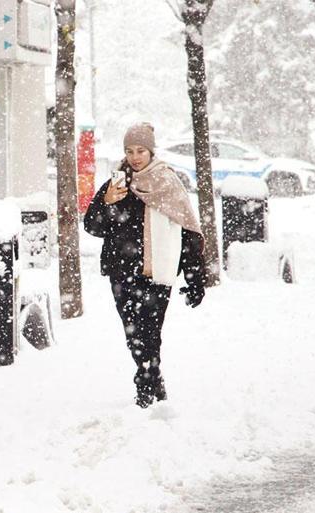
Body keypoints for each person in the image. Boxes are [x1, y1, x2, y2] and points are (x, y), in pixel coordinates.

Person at [84, 122, 206, 408]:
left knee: (151, 332)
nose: (135, 157)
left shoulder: (166, 182)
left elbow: (187, 231)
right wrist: (106, 202)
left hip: (157, 271)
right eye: (129, 151)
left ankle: (146, 383)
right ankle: (152, 378)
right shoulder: (117, 184)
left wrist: (195, 277)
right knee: (133, 332)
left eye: (141, 150)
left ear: (151, 151)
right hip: (121, 272)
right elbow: (92, 226)